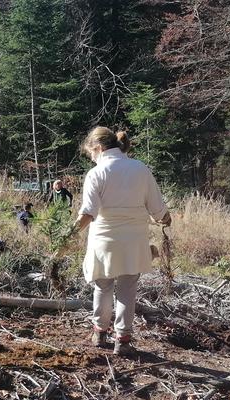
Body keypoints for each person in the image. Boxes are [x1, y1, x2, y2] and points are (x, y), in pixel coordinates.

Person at [69, 128, 170, 356]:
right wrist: (166, 218)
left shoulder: (97, 173)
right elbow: (157, 209)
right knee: (127, 289)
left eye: (91, 153)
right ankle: (122, 340)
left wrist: (67, 236)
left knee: (103, 286)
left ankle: (100, 332)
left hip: (104, 240)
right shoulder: (140, 169)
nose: (91, 158)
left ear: (98, 148)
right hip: (134, 240)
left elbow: (88, 213)